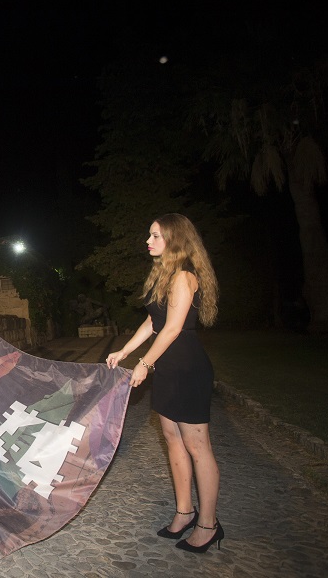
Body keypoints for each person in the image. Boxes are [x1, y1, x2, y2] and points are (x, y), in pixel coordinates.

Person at [106, 213, 223, 553]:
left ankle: (208, 524)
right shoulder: (165, 275)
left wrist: (144, 363)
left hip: (187, 368)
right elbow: (153, 321)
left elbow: (172, 329)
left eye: (155, 235)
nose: (149, 240)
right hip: (169, 368)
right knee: (173, 440)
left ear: (174, 239)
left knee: (198, 446)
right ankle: (185, 512)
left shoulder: (185, 276)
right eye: (149, 234)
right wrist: (125, 350)